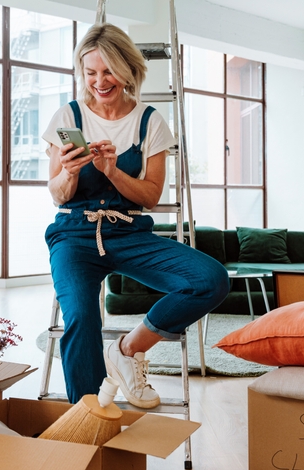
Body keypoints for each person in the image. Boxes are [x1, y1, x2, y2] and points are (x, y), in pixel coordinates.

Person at [42, 23, 230, 408]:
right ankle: (89, 418)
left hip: (129, 233)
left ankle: (127, 350)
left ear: (127, 70)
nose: (99, 82)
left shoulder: (150, 121)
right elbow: (57, 194)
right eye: (91, 73)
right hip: (75, 235)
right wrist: (70, 172)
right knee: (81, 316)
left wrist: (112, 171)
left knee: (211, 280)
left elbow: (151, 196)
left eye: (108, 71)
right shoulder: (68, 116)